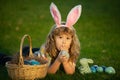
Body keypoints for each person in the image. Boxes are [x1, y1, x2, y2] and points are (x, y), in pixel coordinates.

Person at [40, 2, 82, 74]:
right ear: (53, 38)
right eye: (60, 37)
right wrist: (58, 61)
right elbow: (48, 72)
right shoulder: (46, 49)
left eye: (67, 38)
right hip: (34, 54)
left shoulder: (72, 50)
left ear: (72, 40)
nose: (64, 42)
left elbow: (70, 72)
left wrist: (65, 62)